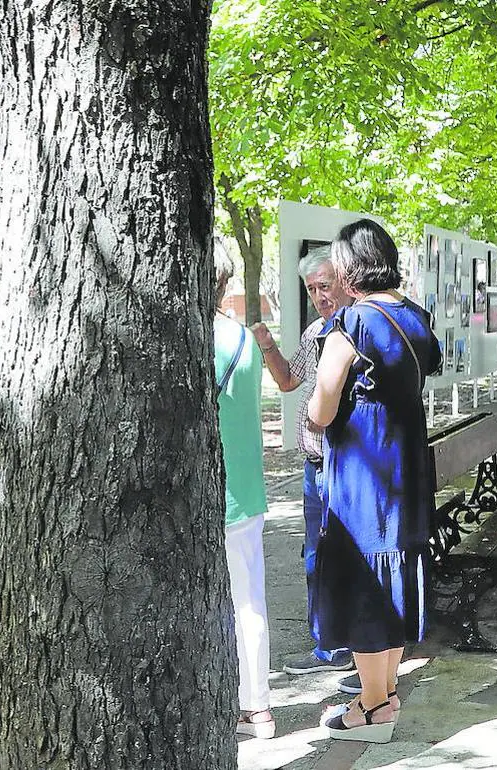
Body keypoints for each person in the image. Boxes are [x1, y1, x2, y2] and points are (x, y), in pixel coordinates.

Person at [309, 219, 441, 743]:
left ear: (349, 268)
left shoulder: (353, 323)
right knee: (392, 573)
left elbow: (321, 408)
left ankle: (369, 705)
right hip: (406, 462)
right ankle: (383, 697)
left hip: (364, 468)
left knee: (364, 577)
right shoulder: (414, 316)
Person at [250, 249, 356, 676]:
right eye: (312, 289)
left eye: (324, 286)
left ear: (344, 281)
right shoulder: (315, 331)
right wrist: (267, 345)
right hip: (314, 467)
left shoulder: (355, 327)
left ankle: (351, 644)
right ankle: (326, 645)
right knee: (315, 556)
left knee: (343, 556)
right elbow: (288, 380)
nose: (318, 296)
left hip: (344, 464)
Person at [213, 249, 274, 739]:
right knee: (249, 598)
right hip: (247, 485)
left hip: (216, 488)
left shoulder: (199, 339)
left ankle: (238, 701)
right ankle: (258, 706)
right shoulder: (243, 339)